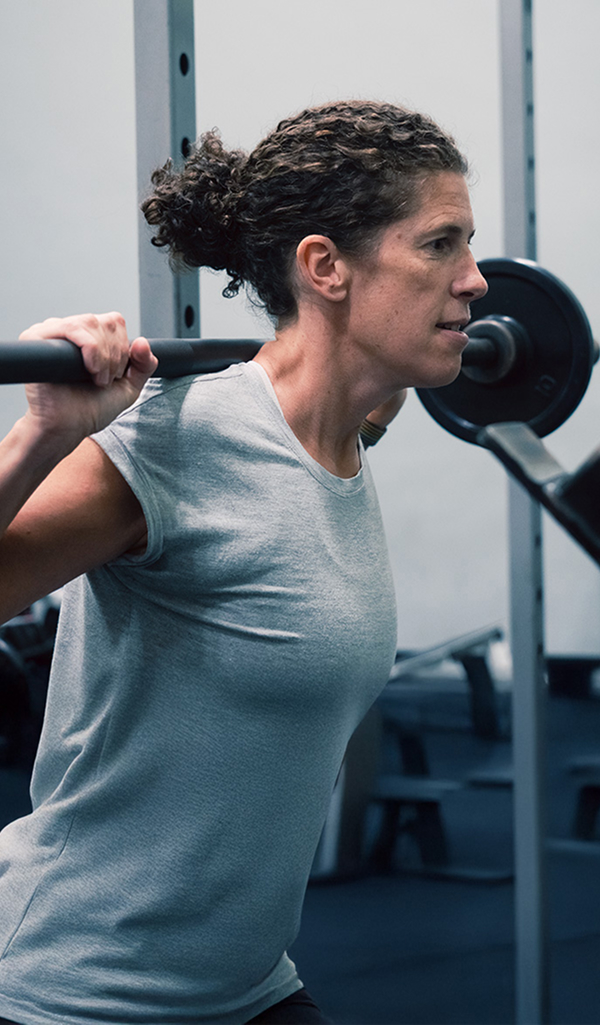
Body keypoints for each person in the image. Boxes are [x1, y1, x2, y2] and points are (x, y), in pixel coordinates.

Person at [0, 99, 487, 1025]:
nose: (475, 281)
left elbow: (346, 383)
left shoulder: (353, 426)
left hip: (246, 985)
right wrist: (41, 435)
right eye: (441, 246)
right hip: (78, 989)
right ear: (325, 266)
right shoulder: (183, 444)